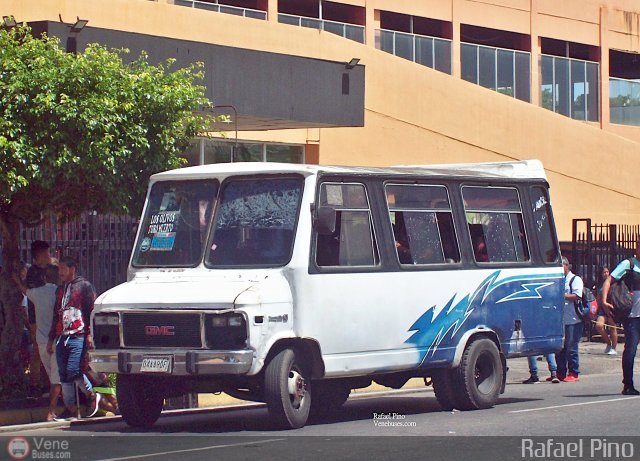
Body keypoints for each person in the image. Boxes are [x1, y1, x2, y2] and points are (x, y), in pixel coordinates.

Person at [47, 255, 99, 420]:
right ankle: (70, 408)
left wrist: (90, 334)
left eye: (63, 268)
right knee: (63, 375)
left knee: (74, 370)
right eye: (59, 269)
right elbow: (56, 315)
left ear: (72, 269)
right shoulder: (60, 290)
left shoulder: (84, 286)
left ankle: (91, 395)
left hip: (78, 334)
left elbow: (91, 310)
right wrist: (51, 338)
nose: (60, 272)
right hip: (62, 335)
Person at [601, 241, 640, 395]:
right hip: (632, 316)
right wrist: (604, 301)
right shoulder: (628, 264)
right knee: (631, 349)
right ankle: (628, 384)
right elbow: (609, 281)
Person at [27, 263, 63, 421]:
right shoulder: (60, 293)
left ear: (44, 277)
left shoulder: (36, 293)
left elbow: (24, 290)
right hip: (57, 340)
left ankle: (57, 408)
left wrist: (16, 278)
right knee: (57, 377)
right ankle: (52, 411)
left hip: (42, 341)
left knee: (52, 376)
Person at [25, 240, 53, 396]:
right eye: (46, 253)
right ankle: (34, 383)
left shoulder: (50, 270)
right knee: (37, 349)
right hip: (36, 318)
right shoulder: (33, 273)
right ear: (40, 255)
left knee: (48, 349)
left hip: (49, 316)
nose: (49, 255)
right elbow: (36, 295)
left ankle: (47, 382)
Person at [556, 256, 583, 382]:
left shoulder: (575, 279)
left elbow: (577, 295)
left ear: (567, 265)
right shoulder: (559, 280)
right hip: (561, 319)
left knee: (571, 347)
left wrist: (562, 296)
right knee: (560, 348)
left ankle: (574, 372)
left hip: (573, 319)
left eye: (561, 266)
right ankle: (560, 372)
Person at [594, 266, 618, 355]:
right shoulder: (599, 285)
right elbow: (598, 298)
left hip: (611, 308)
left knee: (613, 328)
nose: (606, 274)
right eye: (604, 272)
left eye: (607, 272)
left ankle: (614, 348)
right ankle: (608, 343)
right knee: (599, 326)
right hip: (602, 309)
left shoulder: (612, 283)